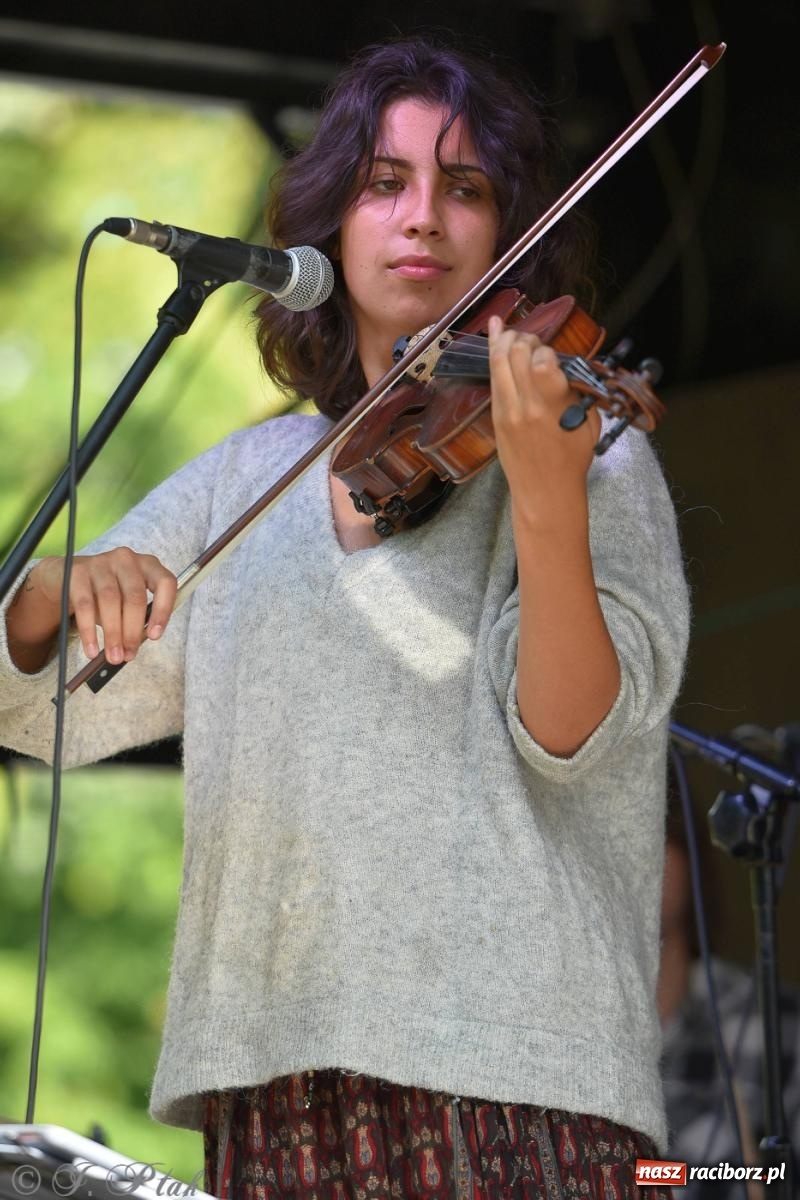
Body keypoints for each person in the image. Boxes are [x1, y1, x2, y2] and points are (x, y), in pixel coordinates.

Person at [0, 36, 690, 1200]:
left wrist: (545, 501)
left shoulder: (590, 453)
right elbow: (41, 714)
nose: (421, 216)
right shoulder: (244, 479)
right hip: (272, 1082)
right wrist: (47, 595)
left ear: (507, 233)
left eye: (463, 188)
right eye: (384, 183)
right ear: (328, 225)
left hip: (514, 1076)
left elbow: (574, 736)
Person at [658, 804, 800, 1196]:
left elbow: (773, 1178)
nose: (628, 851)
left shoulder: (775, 1022)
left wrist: (643, 1174)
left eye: (652, 828)